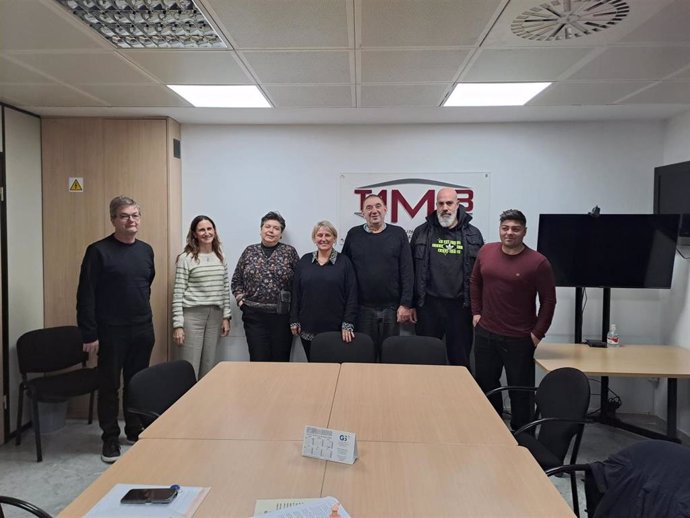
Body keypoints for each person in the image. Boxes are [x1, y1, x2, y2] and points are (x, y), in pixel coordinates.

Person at [76, 195, 155, 463]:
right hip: (111, 330)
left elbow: (146, 284)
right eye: (124, 216)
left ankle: (133, 429)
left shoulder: (146, 250)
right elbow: (86, 294)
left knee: (137, 383)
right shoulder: (98, 251)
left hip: (142, 327)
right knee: (109, 384)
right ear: (113, 220)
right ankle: (110, 437)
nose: (131, 220)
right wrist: (89, 333)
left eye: (135, 215)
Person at [470, 209, 556, 431]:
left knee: (520, 390)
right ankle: (492, 428)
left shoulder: (538, 262)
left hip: (519, 339)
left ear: (524, 232)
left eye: (515, 229)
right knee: (487, 385)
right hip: (485, 333)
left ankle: (523, 435)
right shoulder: (486, 252)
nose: (509, 233)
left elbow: (548, 301)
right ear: (500, 229)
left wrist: (537, 335)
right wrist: (476, 313)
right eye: (505, 228)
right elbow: (475, 282)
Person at [409, 187, 484, 367]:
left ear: (458, 204)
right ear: (436, 205)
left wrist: (478, 309)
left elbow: (481, 275)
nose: (445, 208)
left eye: (449, 203)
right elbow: (410, 270)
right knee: (425, 359)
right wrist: (411, 303)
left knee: (460, 360)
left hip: (460, 308)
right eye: (441, 203)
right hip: (428, 307)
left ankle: (459, 395)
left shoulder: (474, 234)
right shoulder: (421, 232)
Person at [341, 194, 413, 359]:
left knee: (390, 354)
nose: (374, 211)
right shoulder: (353, 234)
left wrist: (406, 304)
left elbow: (407, 271)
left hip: (392, 309)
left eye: (378, 206)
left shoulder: (398, 234)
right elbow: (345, 271)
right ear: (363, 213)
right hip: (362, 308)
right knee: (365, 355)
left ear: (385, 209)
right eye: (369, 207)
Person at [231, 211, 299, 361]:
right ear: (261, 230)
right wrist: (241, 301)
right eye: (267, 226)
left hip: (282, 317)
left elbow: (298, 284)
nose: (271, 230)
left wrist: (295, 313)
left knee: (280, 359)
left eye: (276, 228)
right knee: (258, 359)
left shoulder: (290, 252)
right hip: (254, 316)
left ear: (281, 234)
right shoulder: (249, 251)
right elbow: (236, 280)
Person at [172, 215, 231, 379]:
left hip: (215, 316)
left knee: (209, 364)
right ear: (194, 234)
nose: (206, 233)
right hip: (192, 316)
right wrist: (178, 325)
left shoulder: (220, 257)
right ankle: (186, 403)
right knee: (189, 365)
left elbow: (225, 288)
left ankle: (203, 402)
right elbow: (178, 293)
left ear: (214, 231)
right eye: (201, 230)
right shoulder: (186, 258)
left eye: (209, 228)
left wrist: (226, 317)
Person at [291, 221, 358, 360]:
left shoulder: (344, 262)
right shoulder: (305, 261)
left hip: (337, 329)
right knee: (313, 368)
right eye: (319, 235)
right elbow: (296, 293)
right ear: (314, 238)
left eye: (328, 235)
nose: (323, 238)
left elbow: (352, 294)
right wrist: (294, 320)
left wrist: (348, 323)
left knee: (334, 368)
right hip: (308, 326)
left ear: (334, 238)